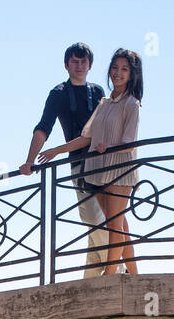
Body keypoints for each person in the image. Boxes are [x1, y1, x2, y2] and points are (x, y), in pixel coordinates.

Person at [38, 48, 142, 275]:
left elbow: (130, 142)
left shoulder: (131, 104)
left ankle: (111, 272)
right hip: (99, 170)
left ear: (132, 74)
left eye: (124, 69)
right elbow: (87, 137)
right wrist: (56, 150)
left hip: (119, 169)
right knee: (119, 225)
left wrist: (108, 147)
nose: (118, 73)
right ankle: (134, 274)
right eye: (115, 68)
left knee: (113, 223)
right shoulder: (104, 102)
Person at [20, 43, 108, 275]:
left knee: (102, 219)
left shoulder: (98, 92)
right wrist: (29, 161)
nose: (79, 66)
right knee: (91, 216)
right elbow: (43, 128)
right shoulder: (58, 93)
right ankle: (114, 270)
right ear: (66, 65)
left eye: (83, 62)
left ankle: (94, 278)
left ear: (90, 65)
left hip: (106, 162)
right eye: (74, 62)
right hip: (80, 164)